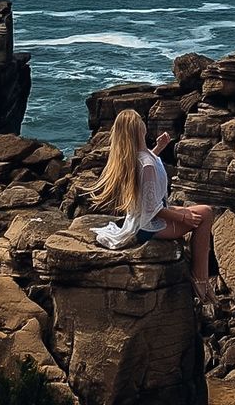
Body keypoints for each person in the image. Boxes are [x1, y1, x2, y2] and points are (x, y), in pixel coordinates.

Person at [88, 108, 215, 302]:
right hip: (149, 226)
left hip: (139, 221)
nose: (144, 121)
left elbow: (149, 171)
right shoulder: (145, 162)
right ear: (139, 128)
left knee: (198, 211)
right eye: (141, 119)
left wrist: (159, 148)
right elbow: (152, 209)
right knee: (205, 213)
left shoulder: (138, 157)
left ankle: (199, 276)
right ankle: (201, 280)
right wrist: (182, 216)